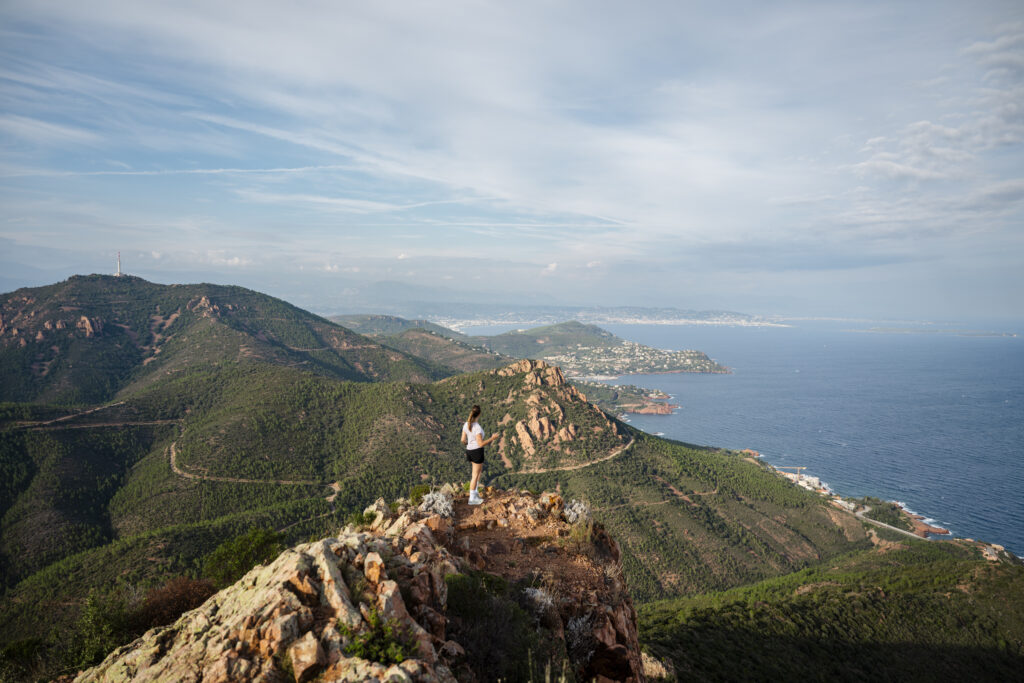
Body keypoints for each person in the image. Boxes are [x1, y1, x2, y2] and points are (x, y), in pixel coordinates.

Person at [460, 404, 499, 505]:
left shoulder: (466, 424)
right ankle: (472, 499)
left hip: (469, 451)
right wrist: (492, 438)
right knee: (475, 475)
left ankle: (475, 493)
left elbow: (463, 440)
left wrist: (469, 443)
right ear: (479, 414)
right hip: (477, 451)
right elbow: (480, 443)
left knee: (479, 472)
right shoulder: (477, 427)